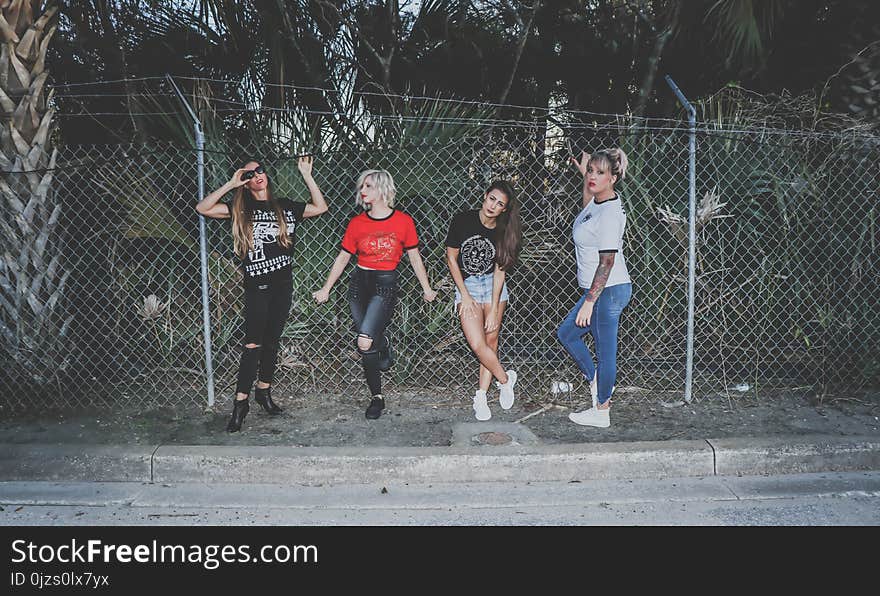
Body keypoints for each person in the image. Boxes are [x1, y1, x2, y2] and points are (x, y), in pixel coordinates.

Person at [196, 156, 328, 432]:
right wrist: (232, 184)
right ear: (245, 181)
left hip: (283, 284)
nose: (257, 175)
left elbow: (320, 207)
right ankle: (240, 403)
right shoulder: (240, 208)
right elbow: (203, 208)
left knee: (272, 341)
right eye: (250, 174)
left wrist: (306, 174)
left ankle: (263, 391)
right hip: (257, 286)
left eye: (260, 170)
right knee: (252, 344)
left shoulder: (285, 207)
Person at [312, 169, 437, 419]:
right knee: (369, 343)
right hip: (359, 283)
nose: (362, 191)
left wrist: (427, 288)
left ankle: (376, 397)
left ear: (382, 189)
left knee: (364, 342)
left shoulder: (403, 222)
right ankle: (382, 345)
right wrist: (326, 288)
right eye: (362, 187)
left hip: (384, 284)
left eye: (367, 186)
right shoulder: (357, 223)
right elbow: (344, 257)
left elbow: (414, 256)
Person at [556, 148, 633, 428]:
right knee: (567, 334)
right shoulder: (597, 203)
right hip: (600, 290)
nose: (592, 176)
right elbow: (588, 201)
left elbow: (607, 262)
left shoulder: (610, 213)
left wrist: (589, 301)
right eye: (591, 170)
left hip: (608, 290)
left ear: (613, 178)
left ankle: (602, 410)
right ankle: (598, 382)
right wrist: (585, 173)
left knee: (605, 350)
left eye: (600, 173)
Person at [445, 181, 522, 420]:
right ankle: (505, 380)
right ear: (485, 196)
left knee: (491, 341)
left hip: (492, 287)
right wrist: (465, 295)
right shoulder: (463, 220)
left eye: (500, 204)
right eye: (492, 199)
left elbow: (500, 272)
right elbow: (451, 258)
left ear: (504, 210)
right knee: (478, 344)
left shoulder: (503, 230)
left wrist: (492, 308)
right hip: (467, 285)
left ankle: (481, 396)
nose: (493, 206)